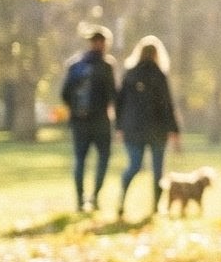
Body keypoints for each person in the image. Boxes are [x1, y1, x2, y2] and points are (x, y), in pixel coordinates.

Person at [113, 36, 181, 219]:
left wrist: (119, 127)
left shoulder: (130, 73)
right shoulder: (159, 75)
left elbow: (119, 103)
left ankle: (122, 200)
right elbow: (168, 105)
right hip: (156, 129)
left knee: (134, 166)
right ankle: (156, 207)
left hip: (133, 129)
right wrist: (175, 131)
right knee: (158, 171)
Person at [62, 26, 118, 212]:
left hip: (79, 121)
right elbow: (113, 95)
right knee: (102, 158)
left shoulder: (75, 65)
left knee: (80, 160)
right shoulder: (106, 66)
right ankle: (93, 197)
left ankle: (80, 199)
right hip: (100, 120)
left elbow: (65, 94)